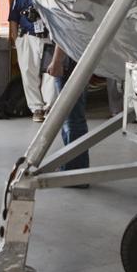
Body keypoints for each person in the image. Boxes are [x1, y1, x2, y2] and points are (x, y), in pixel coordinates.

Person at [9, 0, 56, 123]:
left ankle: (50, 106)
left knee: (51, 74)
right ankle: (37, 108)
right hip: (28, 37)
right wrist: (16, 40)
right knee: (29, 73)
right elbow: (13, 18)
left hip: (49, 37)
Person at [47, 46, 90, 185]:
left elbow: (65, 30)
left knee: (72, 119)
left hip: (69, 63)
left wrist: (56, 61)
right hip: (75, 60)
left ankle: (75, 173)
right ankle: (72, 167)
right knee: (71, 118)